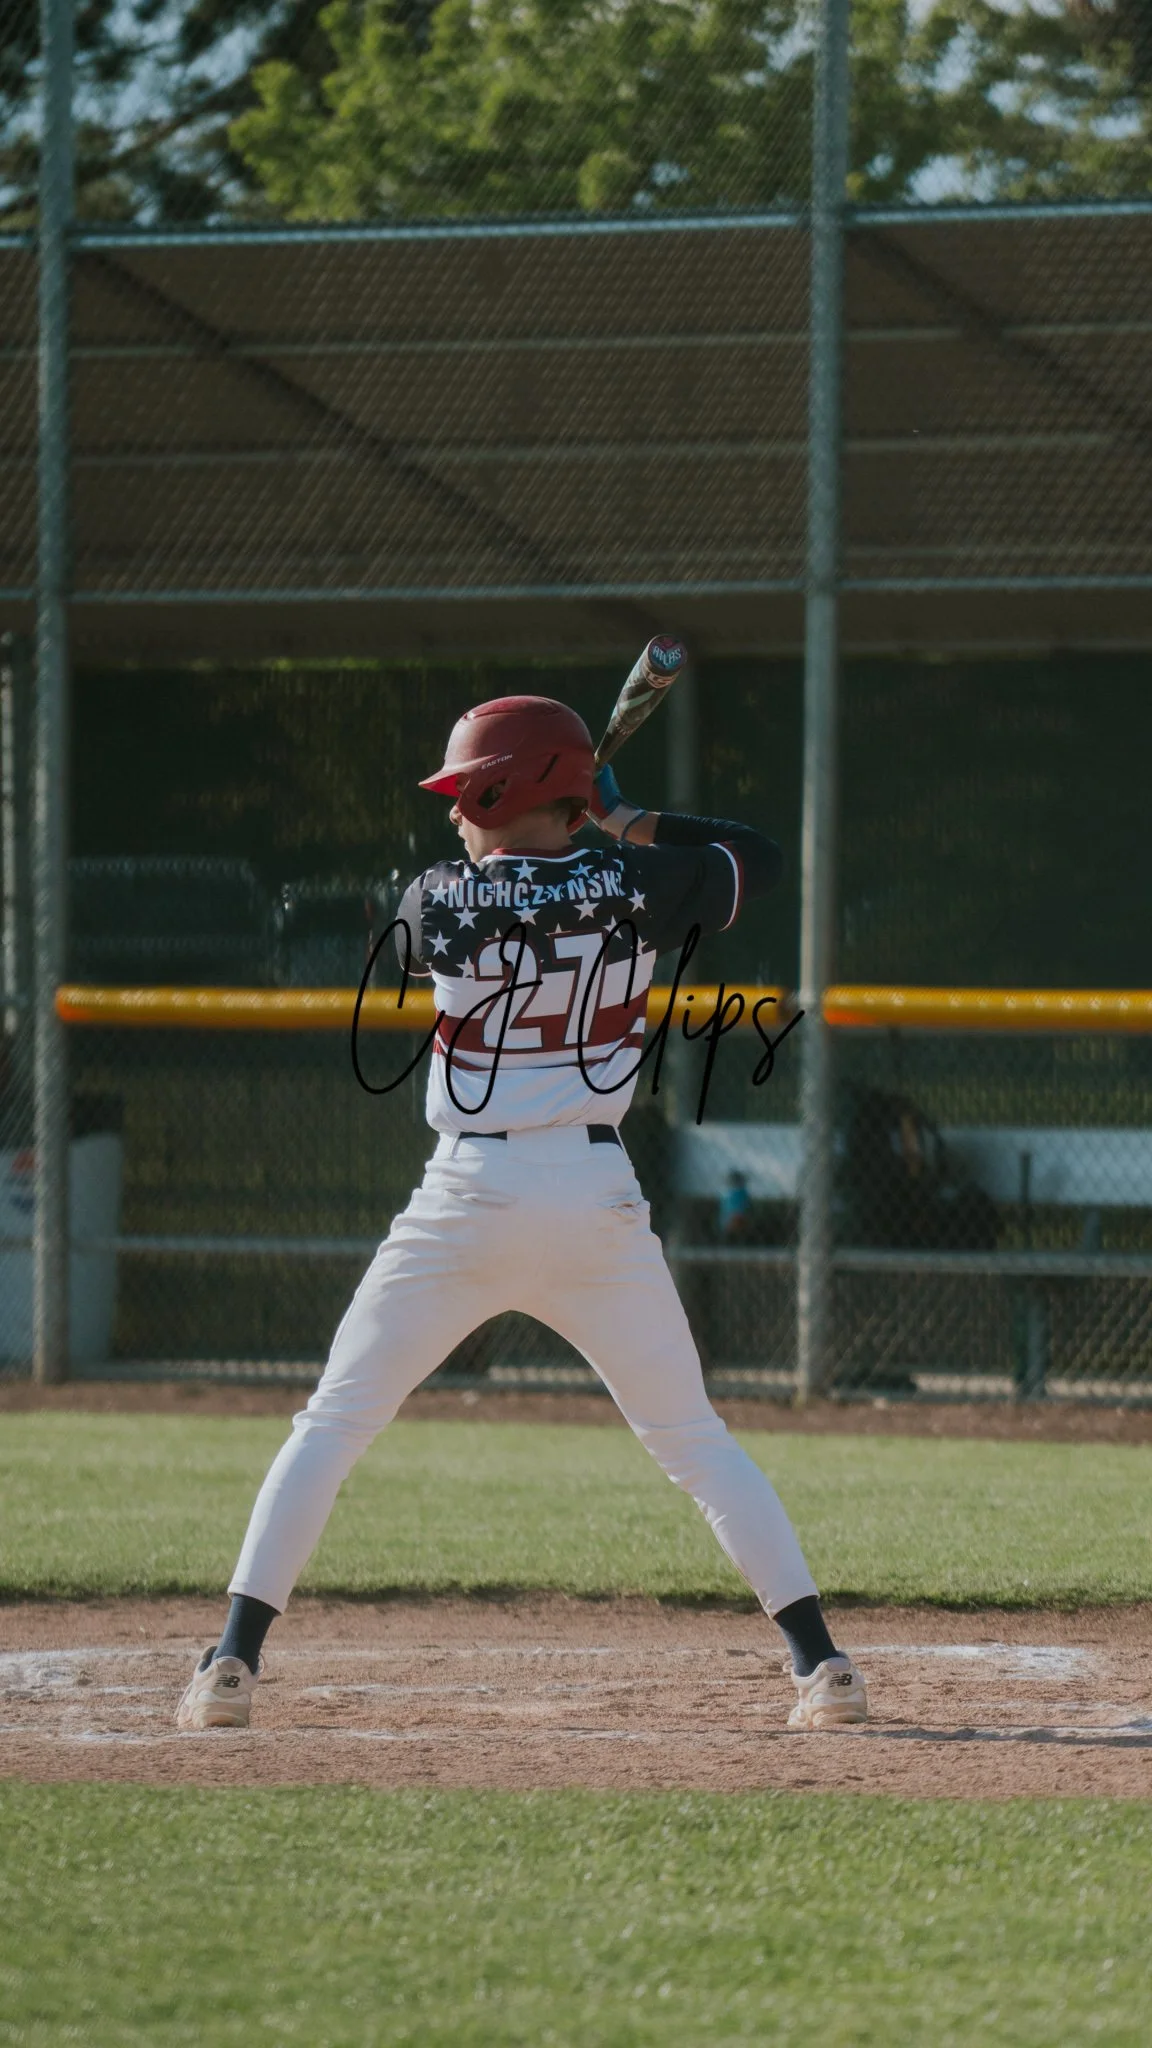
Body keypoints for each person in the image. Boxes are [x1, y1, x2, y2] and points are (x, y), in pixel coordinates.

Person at [177, 694, 867, 1734]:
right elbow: (759, 855)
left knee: (333, 1424)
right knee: (694, 1440)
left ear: (506, 789)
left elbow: (428, 937)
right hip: (596, 1199)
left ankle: (233, 1659)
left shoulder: (437, 895)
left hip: (467, 1198)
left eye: (468, 792)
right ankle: (824, 1665)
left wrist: (576, 832)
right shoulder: (641, 879)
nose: (455, 811)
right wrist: (625, 822)